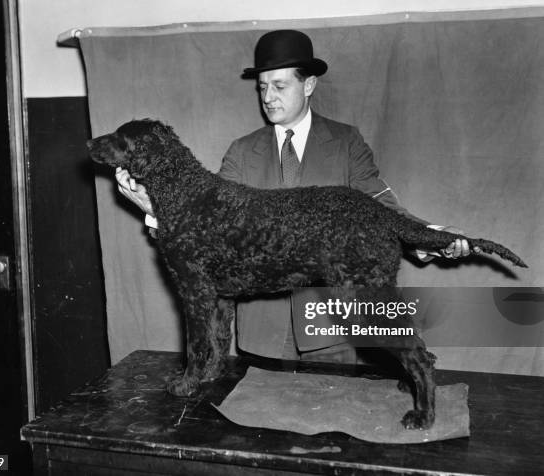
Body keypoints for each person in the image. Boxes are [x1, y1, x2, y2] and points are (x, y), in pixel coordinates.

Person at [115, 29, 473, 362]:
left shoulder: (347, 142)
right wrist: (151, 207)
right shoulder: (241, 151)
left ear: (309, 84)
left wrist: (429, 236)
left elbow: (380, 207)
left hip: (332, 335)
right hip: (262, 340)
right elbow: (205, 231)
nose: (268, 97)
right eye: (262, 87)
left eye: (280, 86)